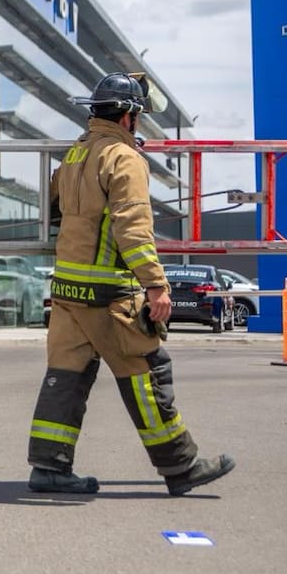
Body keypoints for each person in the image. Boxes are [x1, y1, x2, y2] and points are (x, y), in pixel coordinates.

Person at [27, 72, 235, 496]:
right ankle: (181, 467)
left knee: (66, 378)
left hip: (67, 292)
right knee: (146, 372)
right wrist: (157, 286)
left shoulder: (73, 156)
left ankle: (48, 467)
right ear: (129, 117)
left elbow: (53, 211)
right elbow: (133, 226)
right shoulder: (123, 158)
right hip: (109, 296)